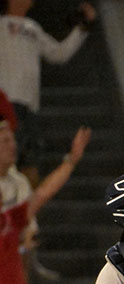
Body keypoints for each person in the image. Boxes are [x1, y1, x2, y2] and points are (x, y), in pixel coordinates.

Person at [0, 120, 90, 284]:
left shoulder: (10, 219)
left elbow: (42, 193)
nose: (12, 146)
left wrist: (71, 161)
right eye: (4, 141)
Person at [0, 0, 96, 182]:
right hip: (6, 106)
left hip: (30, 108)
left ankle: (29, 209)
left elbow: (59, 53)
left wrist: (82, 27)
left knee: (30, 162)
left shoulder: (33, 28)